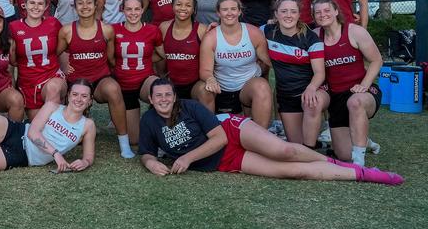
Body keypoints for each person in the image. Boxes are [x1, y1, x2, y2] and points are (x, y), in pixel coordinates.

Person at [138, 78, 402, 185]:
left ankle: (334, 162)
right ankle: (362, 175)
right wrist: (151, 164)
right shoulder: (149, 121)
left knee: (284, 150)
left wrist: (186, 158)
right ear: (150, 98)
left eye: (167, 95)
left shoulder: (190, 106)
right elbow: (147, 153)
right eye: (158, 96)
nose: (163, 99)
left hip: (231, 132)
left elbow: (217, 137)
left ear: (174, 96)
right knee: (292, 171)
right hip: (223, 161)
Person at [58, 0, 133, 158]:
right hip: (76, 82)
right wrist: (62, 66)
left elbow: (111, 59)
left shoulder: (107, 30)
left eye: (89, 2)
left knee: (113, 89)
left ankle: (124, 144)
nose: (85, 6)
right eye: (80, 3)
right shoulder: (66, 31)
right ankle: (67, 130)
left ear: (96, 5)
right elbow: (55, 53)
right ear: (74, 7)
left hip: (99, 79)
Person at [314, 0, 383, 166]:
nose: (323, 14)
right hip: (336, 97)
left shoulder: (354, 31)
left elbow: (377, 60)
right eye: (318, 12)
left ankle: (359, 162)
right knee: (344, 155)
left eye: (327, 10)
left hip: (361, 91)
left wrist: (365, 85)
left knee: (355, 102)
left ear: (336, 11)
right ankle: (365, 141)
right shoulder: (315, 36)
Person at [263, 0, 328, 147]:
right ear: (276, 14)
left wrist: (311, 88)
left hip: (312, 91)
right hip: (287, 96)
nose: (288, 15)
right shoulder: (267, 31)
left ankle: (310, 153)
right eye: (284, 11)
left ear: (299, 14)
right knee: (296, 145)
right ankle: (315, 145)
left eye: (293, 11)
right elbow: (244, 32)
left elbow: (320, 73)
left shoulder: (312, 39)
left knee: (312, 104)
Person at [200, 0, 273, 127]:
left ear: (239, 11)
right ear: (218, 12)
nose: (229, 13)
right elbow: (205, 70)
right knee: (204, 89)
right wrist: (210, 79)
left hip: (247, 85)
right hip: (222, 88)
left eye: (233, 9)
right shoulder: (211, 37)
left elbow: (267, 60)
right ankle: (210, 133)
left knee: (262, 87)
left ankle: (261, 138)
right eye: (225, 9)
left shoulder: (253, 33)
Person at [112, 0, 164, 145]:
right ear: (122, 10)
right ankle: (145, 124)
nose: (133, 13)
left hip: (145, 81)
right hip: (124, 86)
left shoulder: (152, 30)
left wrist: (145, 59)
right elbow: (108, 57)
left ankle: (163, 133)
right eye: (129, 9)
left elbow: (162, 54)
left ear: (142, 10)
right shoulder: (114, 30)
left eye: (137, 9)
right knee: (134, 140)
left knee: (159, 89)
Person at [10, 0, 67, 119]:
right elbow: (12, 61)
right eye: (32, 3)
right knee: (37, 124)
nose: (36, 7)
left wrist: (68, 71)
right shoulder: (14, 27)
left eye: (40, 4)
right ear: (24, 5)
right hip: (28, 83)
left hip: (51, 76)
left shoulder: (53, 23)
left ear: (47, 6)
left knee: (53, 89)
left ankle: (57, 133)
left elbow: (63, 48)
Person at [159, 0, 211, 105]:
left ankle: (209, 122)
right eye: (178, 4)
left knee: (206, 91)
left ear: (193, 10)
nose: (183, 8)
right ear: (172, 6)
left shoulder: (202, 30)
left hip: (195, 85)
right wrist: (162, 77)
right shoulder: (164, 27)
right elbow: (160, 57)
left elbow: (210, 60)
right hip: (171, 84)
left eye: (188, 5)